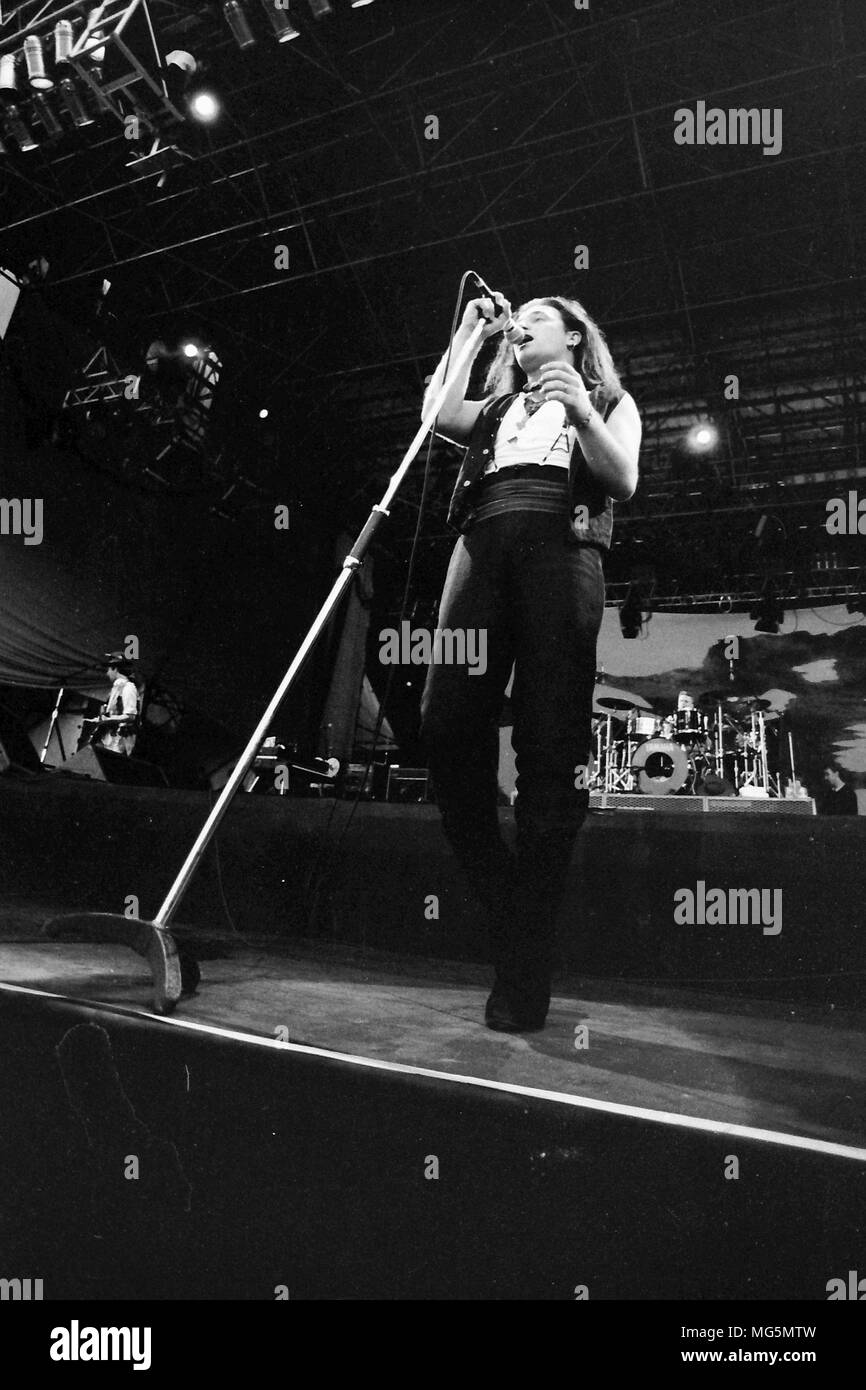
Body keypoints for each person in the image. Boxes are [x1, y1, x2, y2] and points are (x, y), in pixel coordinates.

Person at [420, 293, 641, 1032]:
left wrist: (580, 411)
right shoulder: (494, 409)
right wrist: (469, 333)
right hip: (482, 539)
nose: (522, 329)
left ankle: (522, 967)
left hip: (563, 545)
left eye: (537, 319)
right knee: (445, 722)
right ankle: (515, 905)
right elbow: (435, 414)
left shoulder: (610, 398)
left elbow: (623, 480)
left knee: (551, 743)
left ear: (575, 335)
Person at [96, 652, 140, 756]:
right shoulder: (117, 688)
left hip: (119, 741)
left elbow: (131, 716)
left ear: (115, 668)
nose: (107, 673)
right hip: (109, 739)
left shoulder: (128, 687)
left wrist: (108, 719)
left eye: (108, 669)